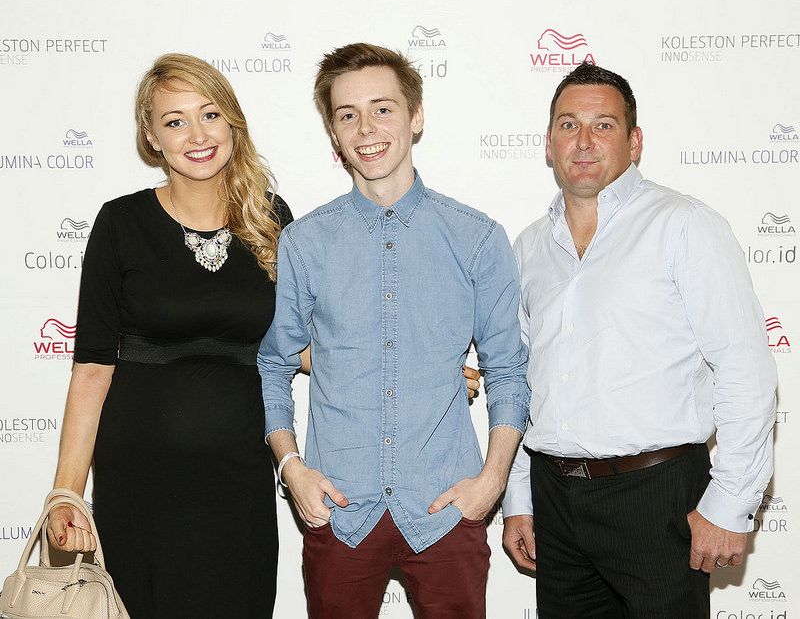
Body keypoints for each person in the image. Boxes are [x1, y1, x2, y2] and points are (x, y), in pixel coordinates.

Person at [258, 42, 530, 619]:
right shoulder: (304, 243)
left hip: (445, 508)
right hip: (339, 508)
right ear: (333, 133)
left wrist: (491, 484)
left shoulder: (476, 238)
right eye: (346, 114)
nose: (366, 128)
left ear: (416, 115)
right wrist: (292, 469)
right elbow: (274, 362)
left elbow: (508, 369)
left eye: (383, 108)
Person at [501, 62, 777, 618]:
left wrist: (730, 502)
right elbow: (528, 384)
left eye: (603, 126)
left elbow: (745, 367)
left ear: (635, 141)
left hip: (656, 495)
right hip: (557, 498)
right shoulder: (528, 247)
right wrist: (521, 497)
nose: (583, 142)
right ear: (548, 142)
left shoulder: (683, 225)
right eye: (567, 125)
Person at [46, 53, 294, 618]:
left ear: (233, 123)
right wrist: (66, 492)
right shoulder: (120, 224)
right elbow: (91, 368)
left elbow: (300, 346)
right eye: (175, 120)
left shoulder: (272, 219)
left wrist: (411, 369)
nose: (197, 135)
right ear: (152, 137)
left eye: (209, 115)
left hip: (238, 474)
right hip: (139, 476)